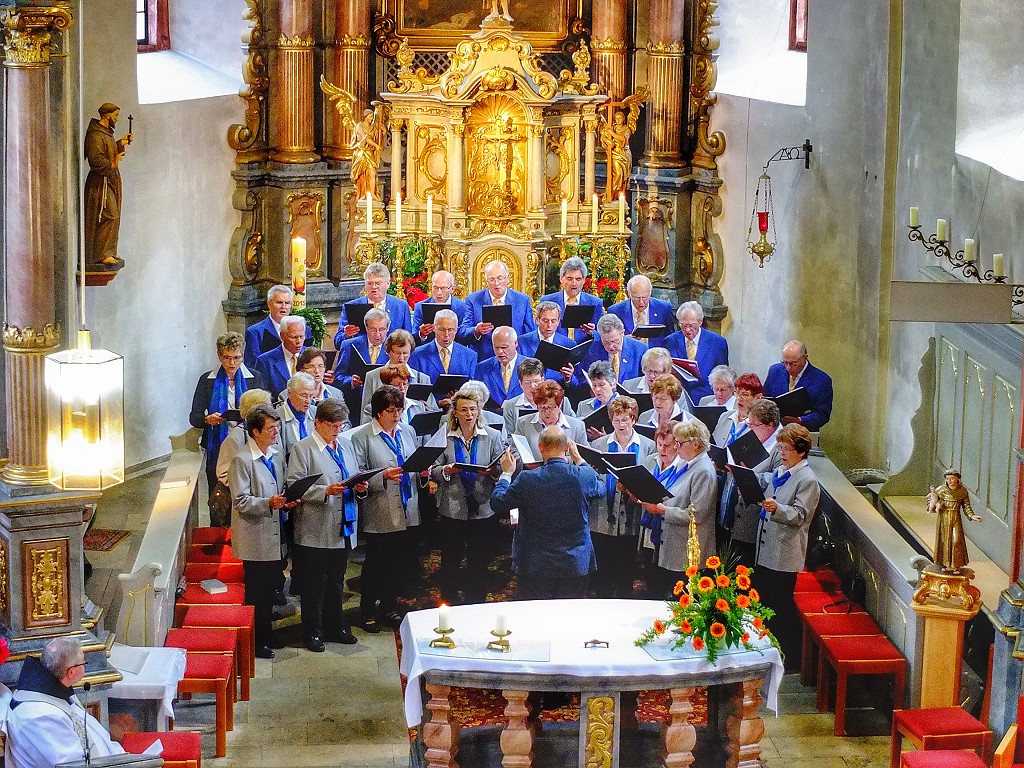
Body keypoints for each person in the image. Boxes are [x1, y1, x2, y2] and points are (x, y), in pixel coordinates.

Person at [286, 398, 366, 651]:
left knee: (336, 580)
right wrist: (325, 491)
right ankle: (313, 632)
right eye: (332, 425)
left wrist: (360, 487)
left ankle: (336, 626)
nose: (337, 430)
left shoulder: (345, 443)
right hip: (316, 528)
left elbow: (353, 473)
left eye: (341, 425)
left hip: (343, 524)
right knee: (315, 584)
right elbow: (294, 487)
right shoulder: (303, 448)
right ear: (318, 422)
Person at [491, 427, 604, 599]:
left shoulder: (527, 479)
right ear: (567, 447)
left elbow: (498, 502)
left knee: (535, 617)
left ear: (540, 447)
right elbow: (601, 487)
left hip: (535, 563)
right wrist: (579, 459)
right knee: (569, 616)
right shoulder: (583, 476)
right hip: (575, 562)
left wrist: (506, 473)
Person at [349, 385, 422, 631]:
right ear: (378, 413)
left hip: (406, 506)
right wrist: (382, 477)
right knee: (376, 564)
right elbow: (356, 474)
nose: (396, 415)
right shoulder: (362, 436)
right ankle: (368, 609)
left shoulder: (407, 431)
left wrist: (422, 471)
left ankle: (389, 606)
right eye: (391, 410)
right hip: (379, 508)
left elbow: (413, 462)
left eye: (399, 409)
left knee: (397, 563)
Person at [228, 404, 298, 659]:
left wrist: (287, 500)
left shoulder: (276, 454)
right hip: (255, 537)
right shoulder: (242, 459)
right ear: (255, 431)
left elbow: (279, 487)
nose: (276, 432)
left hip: (275, 532)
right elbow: (240, 501)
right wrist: (269, 503)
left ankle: (267, 634)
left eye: (277, 427)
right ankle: (256, 641)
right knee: (257, 592)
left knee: (270, 588)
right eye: (271, 428)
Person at [430, 389, 506, 604]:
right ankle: (449, 602)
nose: (469, 414)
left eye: (473, 409)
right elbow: (432, 469)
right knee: (451, 559)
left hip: (483, 506)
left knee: (479, 560)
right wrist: (446, 470)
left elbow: (500, 466)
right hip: (453, 507)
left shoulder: (491, 435)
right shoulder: (444, 435)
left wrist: (493, 472)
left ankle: (476, 601)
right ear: (455, 413)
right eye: (463, 410)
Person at [755, 423, 821, 665]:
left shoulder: (807, 479)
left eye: (786, 449)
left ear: (801, 451)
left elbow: (801, 516)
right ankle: (768, 649)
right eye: (780, 448)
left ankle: (789, 657)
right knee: (767, 602)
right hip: (767, 547)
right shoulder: (782, 472)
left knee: (781, 606)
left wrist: (777, 508)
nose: (781, 453)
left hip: (785, 551)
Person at [4, 638, 127, 767]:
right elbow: (73, 764)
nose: (85, 665)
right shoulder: (41, 716)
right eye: (83, 663)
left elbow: (96, 737)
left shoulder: (57, 691)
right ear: (71, 672)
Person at [640, 420, 718, 598]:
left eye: (679, 443)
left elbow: (696, 514)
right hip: (672, 544)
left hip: (687, 550)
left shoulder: (703, 471)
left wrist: (662, 510)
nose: (676, 447)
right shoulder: (687, 463)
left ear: (696, 444)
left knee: (682, 602)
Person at [189, 332, 265, 512]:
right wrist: (208, 419)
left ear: (243, 356)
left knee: (247, 489)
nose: (232, 363)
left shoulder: (254, 377)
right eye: (227, 358)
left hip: (247, 443)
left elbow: (264, 412)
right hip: (217, 445)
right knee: (218, 497)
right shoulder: (207, 380)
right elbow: (194, 417)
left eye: (237, 358)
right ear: (219, 355)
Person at [589, 396, 654, 598]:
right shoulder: (599, 443)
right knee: (603, 573)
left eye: (625, 419)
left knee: (626, 571)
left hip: (632, 517)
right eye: (616, 420)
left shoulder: (648, 446)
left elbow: (650, 479)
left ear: (633, 419)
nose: (621, 424)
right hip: (602, 516)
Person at [720, 399, 781, 566]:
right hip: (730, 514)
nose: (749, 428)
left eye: (754, 424)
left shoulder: (780, 447)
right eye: (749, 423)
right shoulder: (750, 436)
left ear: (770, 425)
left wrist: (747, 475)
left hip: (752, 523)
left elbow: (777, 479)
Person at [215, 388, 273, 526]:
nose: (272, 410)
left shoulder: (270, 434)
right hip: (246, 506)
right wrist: (250, 484)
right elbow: (223, 473)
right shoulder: (236, 438)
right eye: (268, 406)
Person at [84, 103, 131, 269]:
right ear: (107, 115)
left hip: (110, 179)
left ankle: (109, 251)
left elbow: (108, 150)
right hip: (101, 181)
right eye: (116, 115)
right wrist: (114, 162)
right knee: (108, 214)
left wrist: (120, 143)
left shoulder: (106, 133)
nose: (117, 118)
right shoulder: (95, 134)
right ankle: (101, 254)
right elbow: (95, 159)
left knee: (114, 214)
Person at [459, 260, 536, 359]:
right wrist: (476, 330)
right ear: (486, 281)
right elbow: (463, 332)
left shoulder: (522, 300)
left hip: (514, 358)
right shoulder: (473, 300)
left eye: (500, 278)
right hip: (483, 357)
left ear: (508, 279)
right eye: (491, 279)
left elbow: (529, 333)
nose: (496, 283)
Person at [657, 301, 729, 403]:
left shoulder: (717, 343)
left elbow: (723, 375)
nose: (688, 330)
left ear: (700, 322)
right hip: (677, 398)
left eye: (692, 325)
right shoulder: (669, 342)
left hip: (706, 399)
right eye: (684, 325)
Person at [334, 307, 391, 428]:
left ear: (388, 329)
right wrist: (351, 382)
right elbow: (337, 378)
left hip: (385, 407)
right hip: (355, 407)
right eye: (373, 330)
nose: (378, 334)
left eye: (382, 329)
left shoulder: (393, 348)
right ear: (366, 328)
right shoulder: (350, 345)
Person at [762, 340, 834, 431]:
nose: (788, 367)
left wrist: (800, 420)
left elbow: (823, 414)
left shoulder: (821, 380)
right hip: (774, 431)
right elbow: (765, 399)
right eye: (785, 362)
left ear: (805, 358)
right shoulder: (775, 371)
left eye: (793, 363)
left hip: (803, 434)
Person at [335, 262, 413, 345]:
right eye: (369, 283)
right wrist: (346, 335)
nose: (374, 287)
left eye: (378, 283)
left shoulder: (400, 306)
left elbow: (409, 340)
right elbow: (337, 342)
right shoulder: (351, 307)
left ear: (388, 284)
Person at [360, 329, 431, 418]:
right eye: (397, 353)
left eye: (405, 353)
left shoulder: (423, 379)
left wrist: (424, 408)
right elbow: (366, 412)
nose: (401, 358)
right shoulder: (372, 376)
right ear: (388, 352)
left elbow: (433, 411)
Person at [926, 468, 982, 573]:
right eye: (947, 479)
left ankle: (956, 565)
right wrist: (933, 505)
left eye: (952, 479)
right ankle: (945, 564)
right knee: (945, 540)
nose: (949, 481)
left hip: (956, 517)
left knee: (956, 541)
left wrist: (972, 516)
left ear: (957, 479)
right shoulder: (941, 490)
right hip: (944, 517)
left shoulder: (962, 491)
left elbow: (966, 506)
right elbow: (932, 502)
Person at [514, 380, 588, 455]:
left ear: (560, 403)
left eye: (551, 407)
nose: (547, 412)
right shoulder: (523, 423)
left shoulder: (577, 426)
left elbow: (586, 457)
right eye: (542, 407)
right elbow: (514, 451)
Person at [538, 256, 603, 341]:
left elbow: (602, 334)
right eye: (569, 279)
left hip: (584, 350)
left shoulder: (594, 303)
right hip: (555, 348)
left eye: (578, 279)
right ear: (561, 279)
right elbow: (538, 330)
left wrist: (592, 332)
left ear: (584, 280)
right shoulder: (547, 301)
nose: (574, 283)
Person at [244, 285, 308, 369]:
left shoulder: (302, 328)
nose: (284, 307)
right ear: (269, 304)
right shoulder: (255, 332)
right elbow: (252, 367)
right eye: (279, 302)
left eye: (287, 303)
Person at [502, 357, 571, 434]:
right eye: (527, 382)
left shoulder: (561, 400)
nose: (533, 386)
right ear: (520, 383)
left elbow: (572, 425)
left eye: (536, 381)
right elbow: (509, 436)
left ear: (542, 380)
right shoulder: (510, 406)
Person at [408, 308, 478, 385]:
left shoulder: (470, 356)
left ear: (456, 330)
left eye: (450, 330)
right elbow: (414, 388)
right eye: (442, 329)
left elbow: (472, 388)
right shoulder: (417, 355)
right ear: (434, 328)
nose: (446, 335)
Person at [517, 300, 578, 385]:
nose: (549, 325)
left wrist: (568, 378)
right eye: (545, 321)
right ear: (537, 320)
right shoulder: (522, 342)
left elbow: (577, 382)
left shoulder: (569, 345)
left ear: (558, 322)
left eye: (553, 321)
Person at [607, 274, 674, 344]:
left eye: (644, 297)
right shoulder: (616, 311)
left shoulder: (664, 308)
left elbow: (671, 338)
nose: (641, 302)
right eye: (637, 298)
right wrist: (624, 340)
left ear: (650, 293)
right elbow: (609, 339)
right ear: (629, 294)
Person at [581, 313, 646, 385]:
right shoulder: (591, 350)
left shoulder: (640, 349)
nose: (611, 346)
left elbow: (644, 380)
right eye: (606, 342)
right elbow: (585, 378)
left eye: (615, 341)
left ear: (622, 333)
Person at [255, 315, 307, 397]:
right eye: (294, 337)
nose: (299, 341)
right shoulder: (265, 361)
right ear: (282, 336)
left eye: (301, 336)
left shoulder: (311, 356)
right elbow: (263, 395)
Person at [412, 270, 467, 344]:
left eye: (443, 288)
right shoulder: (420, 307)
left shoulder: (462, 307)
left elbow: (464, 335)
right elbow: (413, 336)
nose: (439, 292)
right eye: (435, 288)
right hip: (429, 351)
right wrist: (422, 334)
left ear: (452, 289)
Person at [475, 326, 522, 408]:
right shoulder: (482, 368)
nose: (500, 352)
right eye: (496, 347)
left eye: (504, 347)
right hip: (492, 418)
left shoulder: (530, 367)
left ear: (515, 343)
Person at [712, 372, 763, 447]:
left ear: (758, 397)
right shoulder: (725, 417)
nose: (739, 398)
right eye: (737, 393)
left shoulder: (759, 425)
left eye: (745, 394)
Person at [277, 372, 317, 458]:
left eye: (311, 396)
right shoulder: (276, 418)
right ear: (289, 393)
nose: (308, 401)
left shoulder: (316, 413)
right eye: (304, 395)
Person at [577, 360, 618, 440]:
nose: (597, 389)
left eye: (601, 385)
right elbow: (578, 433)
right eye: (594, 385)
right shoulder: (583, 406)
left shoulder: (625, 406)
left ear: (613, 384)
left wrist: (603, 439)